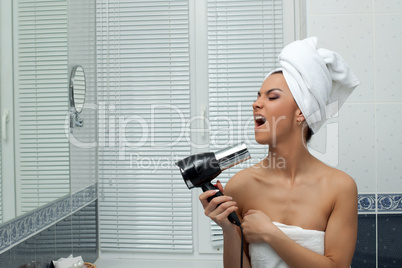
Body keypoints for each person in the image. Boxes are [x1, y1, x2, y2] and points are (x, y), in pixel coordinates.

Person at [199, 37, 360, 268]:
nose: (256, 104)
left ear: (301, 112)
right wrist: (228, 227)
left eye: (271, 96)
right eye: (258, 96)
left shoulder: (339, 187)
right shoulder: (241, 185)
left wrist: (271, 234)